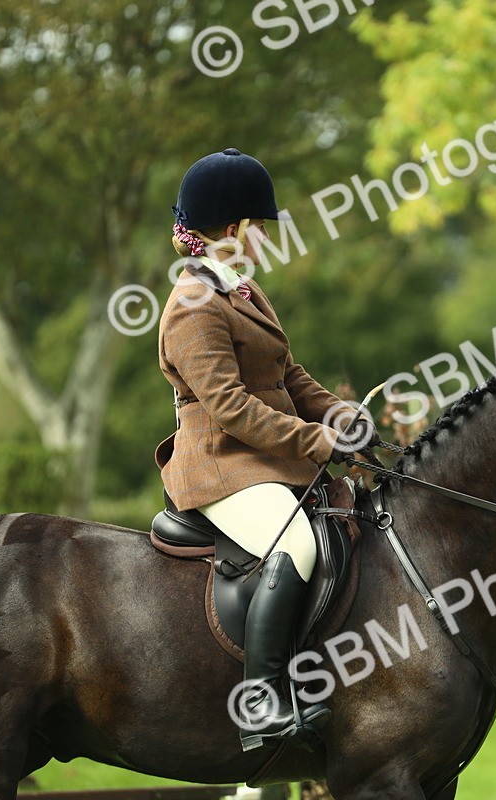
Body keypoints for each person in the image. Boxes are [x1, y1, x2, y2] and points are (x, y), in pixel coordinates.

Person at [153, 147, 370, 751]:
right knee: (294, 541)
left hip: (264, 459)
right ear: (231, 230)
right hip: (220, 464)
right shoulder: (193, 307)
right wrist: (316, 439)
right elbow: (231, 408)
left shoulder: (241, 292)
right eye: (260, 228)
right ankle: (262, 703)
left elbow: (288, 376)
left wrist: (340, 415)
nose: (266, 240)